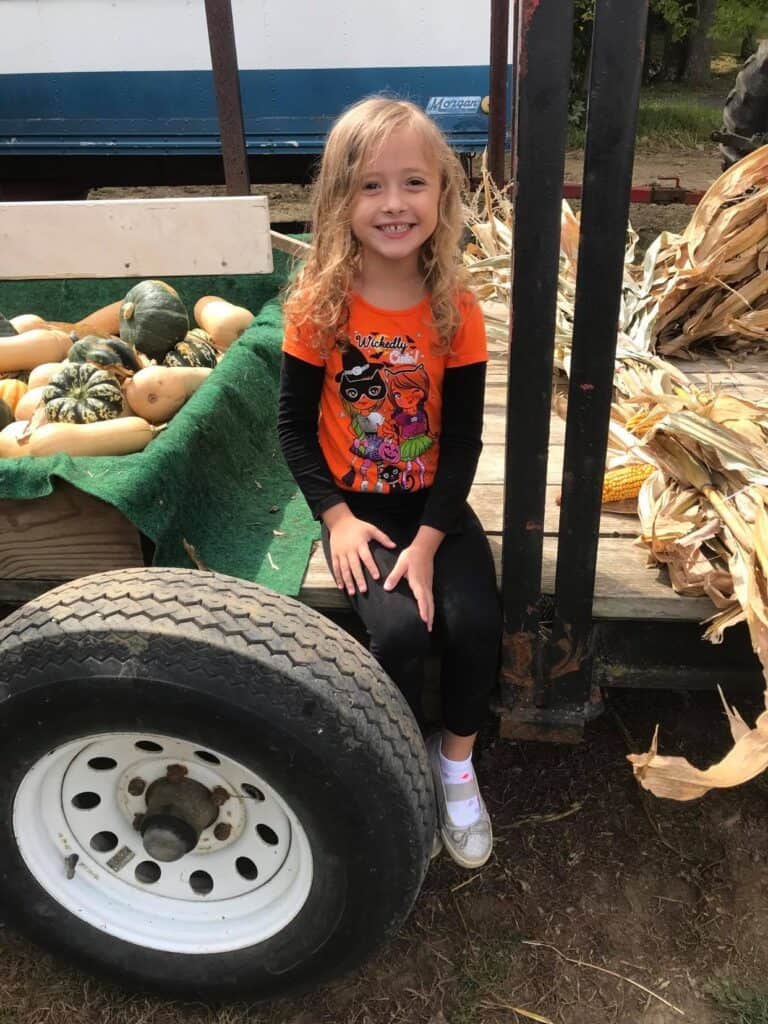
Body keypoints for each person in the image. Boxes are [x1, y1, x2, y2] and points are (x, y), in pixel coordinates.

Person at [278, 96, 502, 869]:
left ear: (443, 194)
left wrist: (434, 539)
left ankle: (455, 762)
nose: (395, 203)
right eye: (371, 185)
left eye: (414, 182)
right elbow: (293, 430)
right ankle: (404, 762)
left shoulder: (458, 310)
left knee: (474, 625)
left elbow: (466, 439)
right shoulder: (318, 306)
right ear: (340, 199)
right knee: (401, 635)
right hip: (360, 508)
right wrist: (336, 519)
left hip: (435, 505)